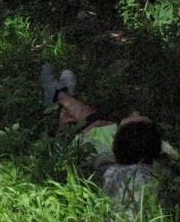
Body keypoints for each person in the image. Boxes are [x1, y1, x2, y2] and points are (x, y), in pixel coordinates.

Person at [41, 64, 170, 212]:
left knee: (72, 122)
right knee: (90, 116)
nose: (134, 112)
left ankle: (57, 95)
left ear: (117, 139)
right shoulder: (156, 161)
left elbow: (77, 164)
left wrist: (87, 131)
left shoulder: (108, 172)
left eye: (128, 118)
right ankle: (62, 94)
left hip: (78, 141)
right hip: (103, 139)